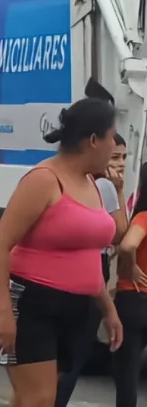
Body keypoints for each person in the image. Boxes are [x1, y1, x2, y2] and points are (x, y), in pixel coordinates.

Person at [0, 98, 123, 407]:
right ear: (93, 140)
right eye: (111, 136)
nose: (114, 145)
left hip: (75, 309)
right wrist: (5, 313)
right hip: (29, 305)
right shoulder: (44, 180)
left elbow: (88, 254)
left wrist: (108, 309)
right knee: (40, 399)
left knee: (32, 399)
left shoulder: (91, 182)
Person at [54, 132, 129, 407]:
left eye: (124, 157)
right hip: (90, 270)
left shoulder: (72, 182)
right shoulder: (104, 187)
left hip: (62, 273)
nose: (120, 164)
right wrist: (119, 189)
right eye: (115, 157)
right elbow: (120, 234)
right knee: (74, 356)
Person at [113, 161, 147, 407]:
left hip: (134, 298)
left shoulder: (144, 217)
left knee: (127, 372)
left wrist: (132, 267)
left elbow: (127, 245)